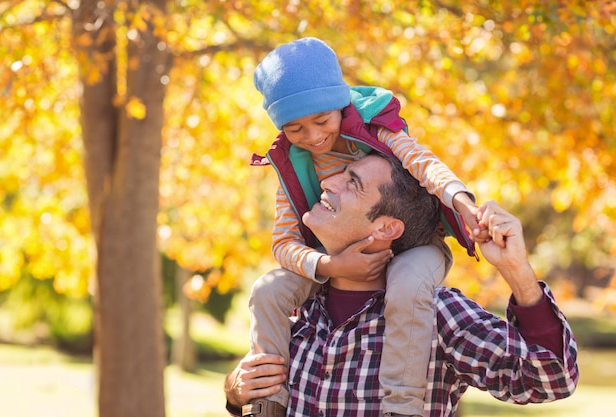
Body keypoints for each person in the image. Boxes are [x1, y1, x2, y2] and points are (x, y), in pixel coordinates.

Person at [225, 153, 579, 417]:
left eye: (353, 183)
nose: (329, 183)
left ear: (385, 229)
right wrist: (234, 393)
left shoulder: (435, 314)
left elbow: (549, 380)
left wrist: (516, 270)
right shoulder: (297, 310)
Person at [248, 37, 490, 417]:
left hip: (414, 246)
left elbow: (423, 161)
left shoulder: (373, 131)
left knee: (408, 286)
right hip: (329, 257)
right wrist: (330, 266)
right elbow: (283, 243)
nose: (312, 137)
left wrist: (461, 200)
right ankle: (268, 401)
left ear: (340, 105)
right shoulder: (292, 166)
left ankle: (402, 407)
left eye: (321, 121)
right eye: (295, 129)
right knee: (268, 291)